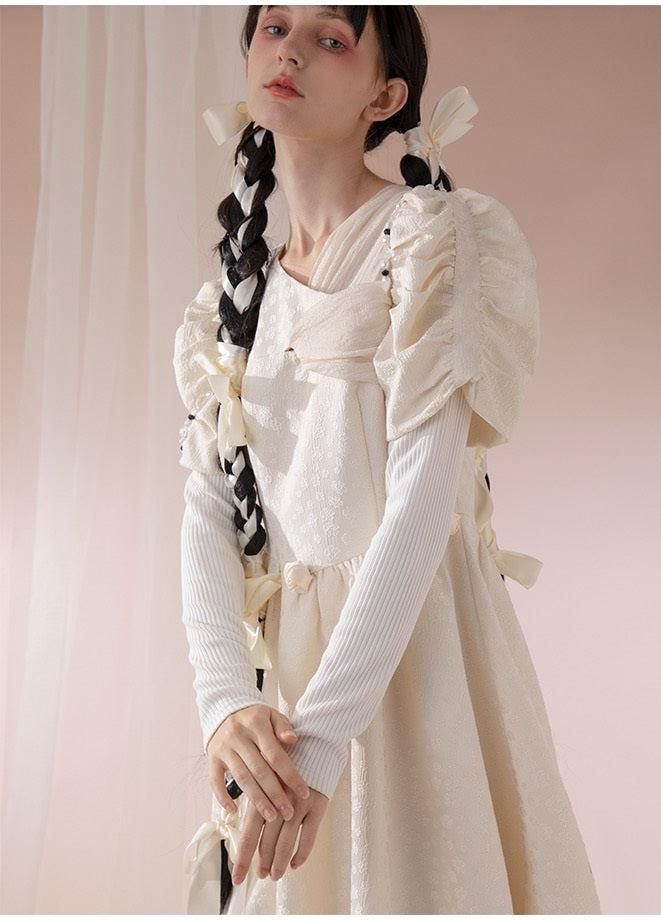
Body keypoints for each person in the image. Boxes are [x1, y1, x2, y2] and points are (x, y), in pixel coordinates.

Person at [175, 5, 601, 914]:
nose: (290, 51)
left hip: (411, 663)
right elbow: (206, 509)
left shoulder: (426, 238)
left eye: (331, 38)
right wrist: (227, 703)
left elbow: (422, 499)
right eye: (273, 27)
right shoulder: (232, 300)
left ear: (386, 95)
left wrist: (325, 738)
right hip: (285, 693)